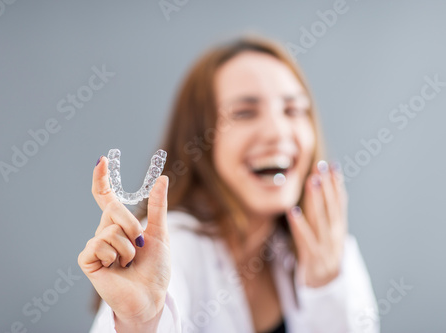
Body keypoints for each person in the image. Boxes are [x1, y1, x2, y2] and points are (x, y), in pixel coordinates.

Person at [78, 35, 380, 333]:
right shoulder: (170, 248)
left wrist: (326, 286)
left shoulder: (325, 246)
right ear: (201, 141)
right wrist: (139, 324)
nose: (277, 131)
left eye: (293, 110)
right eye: (244, 112)